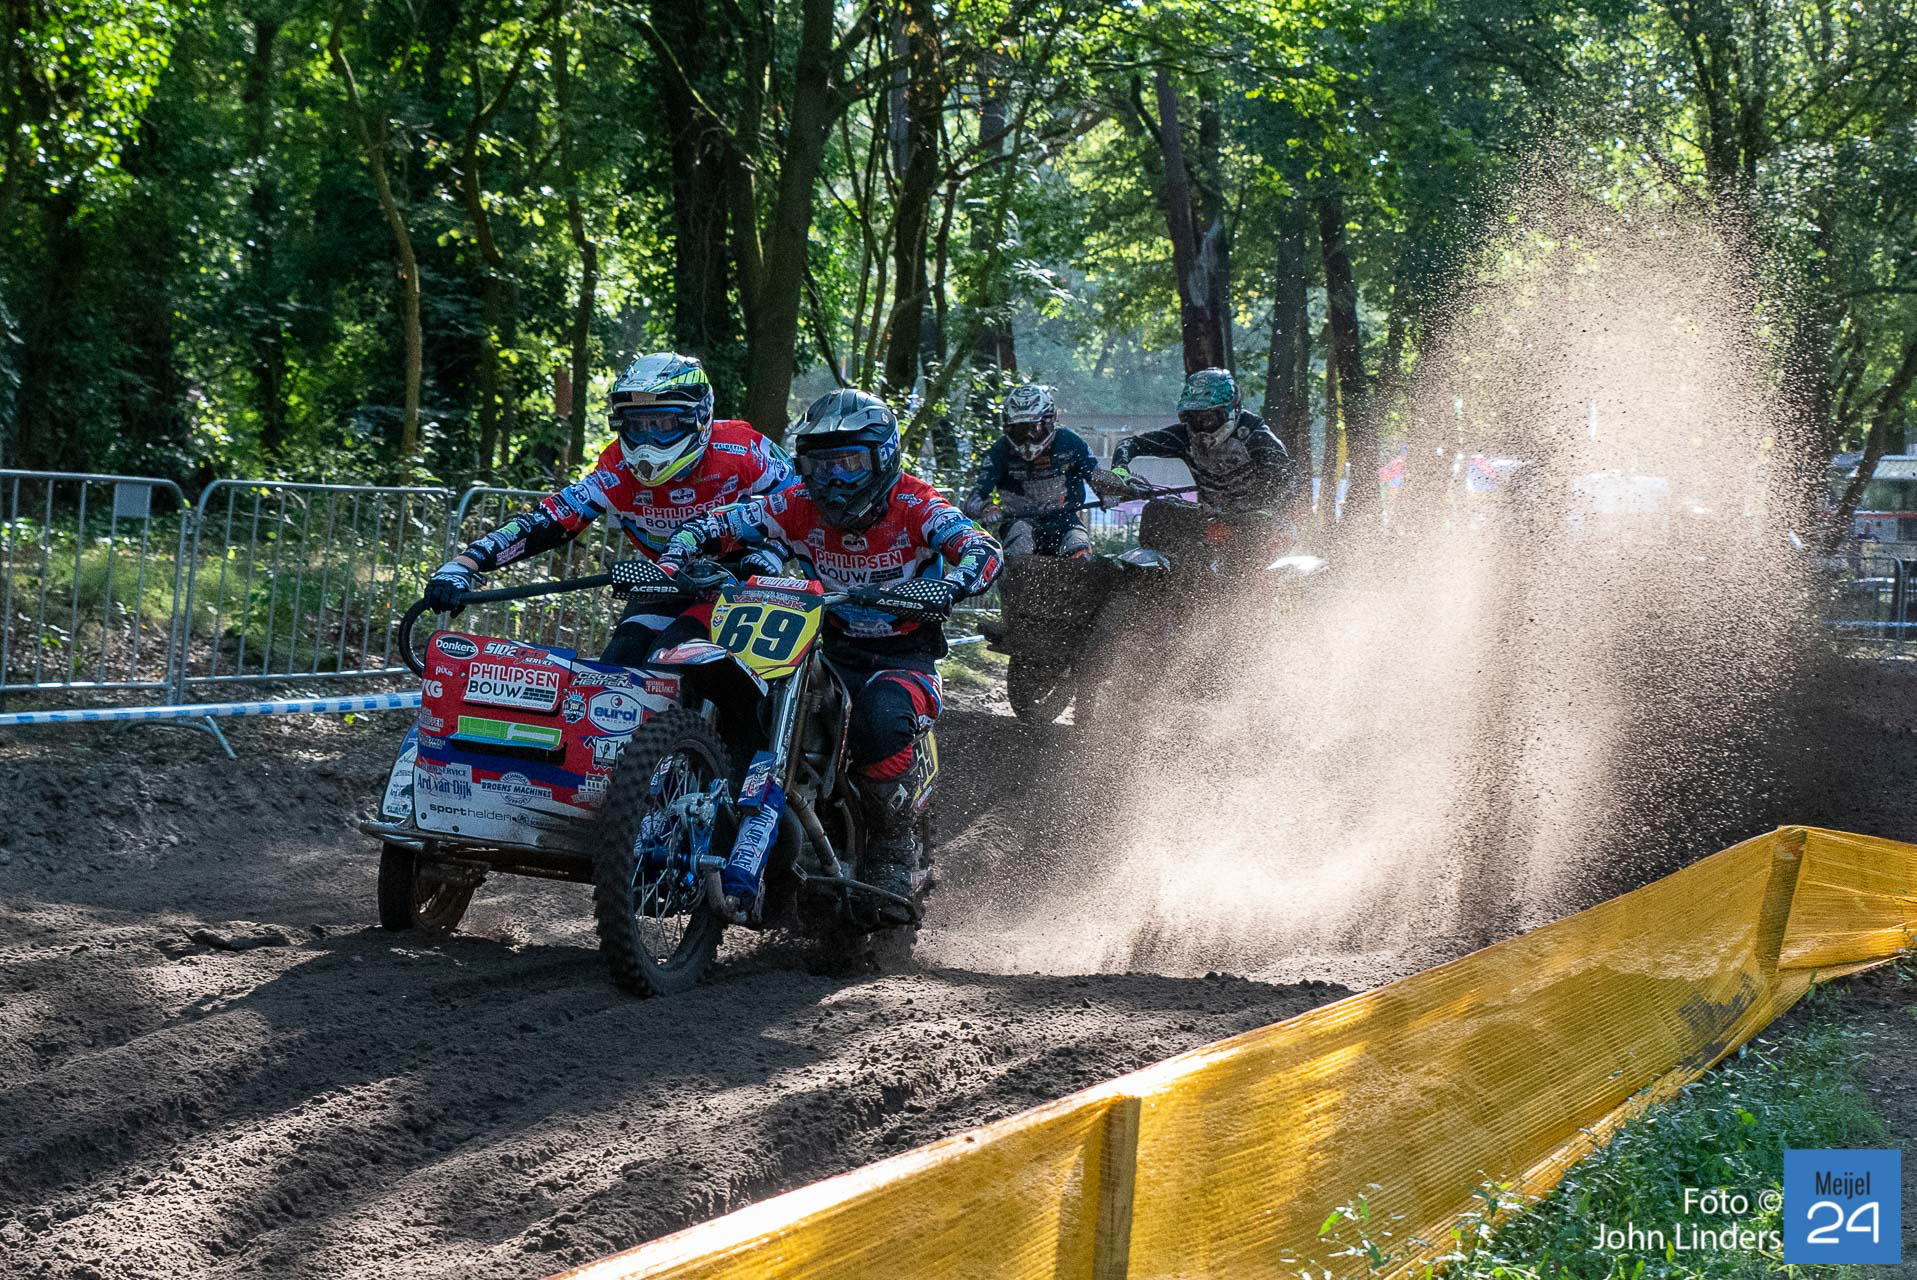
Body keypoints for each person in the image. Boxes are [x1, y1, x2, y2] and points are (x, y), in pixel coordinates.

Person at [658, 388, 1002, 917]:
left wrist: (952, 585)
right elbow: (723, 521)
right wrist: (678, 554)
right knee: (749, 698)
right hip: (826, 648)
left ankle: (891, 851)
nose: (835, 479)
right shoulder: (797, 503)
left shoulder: (916, 504)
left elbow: (982, 547)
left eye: (850, 463)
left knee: (880, 719)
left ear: (883, 458)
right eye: (822, 465)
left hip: (904, 658)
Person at [424, 353, 793, 662]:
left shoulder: (742, 450)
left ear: (697, 417)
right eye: (637, 425)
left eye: (662, 423)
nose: (648, 440)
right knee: (619, 660)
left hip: (742, 583)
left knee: (674, 656)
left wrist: (774, 552)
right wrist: (464, 565)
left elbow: (802, 500)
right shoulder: (615, 468)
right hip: (665, 580)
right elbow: (547, 519)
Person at [1109, 367, 1293, 515]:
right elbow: (1130, 444)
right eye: (1194, 417)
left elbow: (1289, 484)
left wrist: (1268, 513)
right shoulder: (1184, 436)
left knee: (1258, 522)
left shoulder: (1257, 437)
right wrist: (1119, 472)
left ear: (1231, 410)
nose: (1202, 425)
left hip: (1263, 521)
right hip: (1210, 518)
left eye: (1208, 417)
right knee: (1157, 513)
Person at [960, 384, 1104, 559]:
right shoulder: (999, 452)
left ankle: (1082, 574)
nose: (1027, 438)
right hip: (1019, 522)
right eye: (1020, 430)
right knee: (1019, 547)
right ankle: (1015, 574)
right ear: (1008, 428)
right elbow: (975, 497)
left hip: (1066, 521)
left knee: (1079, 548)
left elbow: (1097, 475)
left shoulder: (1070, 442)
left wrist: (1111, 491)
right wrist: (987, 508)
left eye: (1034, 428)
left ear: (1049, 422)